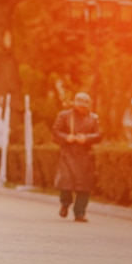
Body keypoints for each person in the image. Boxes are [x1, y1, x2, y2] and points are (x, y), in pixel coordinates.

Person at [52, 92, 102, 223]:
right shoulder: (64, 116)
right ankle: (65, 203)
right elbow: (56, 131)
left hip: (85, 155)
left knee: (84, 186)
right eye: (79, 105)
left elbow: (98, 135)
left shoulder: (93, 118)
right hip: (68, 153)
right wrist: (66, 137)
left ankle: (80, 212)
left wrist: (86, 139)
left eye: (84, 106)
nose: (81, 108)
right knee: (66, 181)